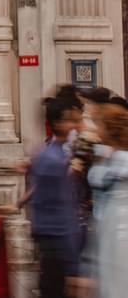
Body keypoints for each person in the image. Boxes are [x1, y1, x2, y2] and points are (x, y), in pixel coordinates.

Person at [27, 97, 82, 298]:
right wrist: (73, 266)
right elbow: (62, 213)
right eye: (70, 120)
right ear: (56, 123)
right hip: (58, 246)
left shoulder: (47, 154)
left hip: (50, 244)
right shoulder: (55, 160)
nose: (75, 125)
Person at [87, 100, 128, 298]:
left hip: (120, 226)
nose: (95, 129)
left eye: (98, 124)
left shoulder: (121, 160)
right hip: (109, 224)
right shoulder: (107, 154)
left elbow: (100, 177)